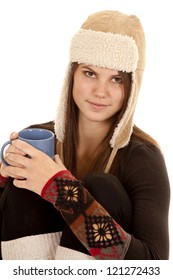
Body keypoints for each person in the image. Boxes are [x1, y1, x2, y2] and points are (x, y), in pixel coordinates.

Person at [0, 10, 170, 260]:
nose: (100, 91)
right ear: (72, 75)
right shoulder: (40, 138)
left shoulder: (143, 158)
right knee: (22, 187)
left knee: (103, 188)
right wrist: (4, 180)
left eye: (116, 79)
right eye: (90, 73)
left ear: (132, 88)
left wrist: (59, 188)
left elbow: (154, 265)